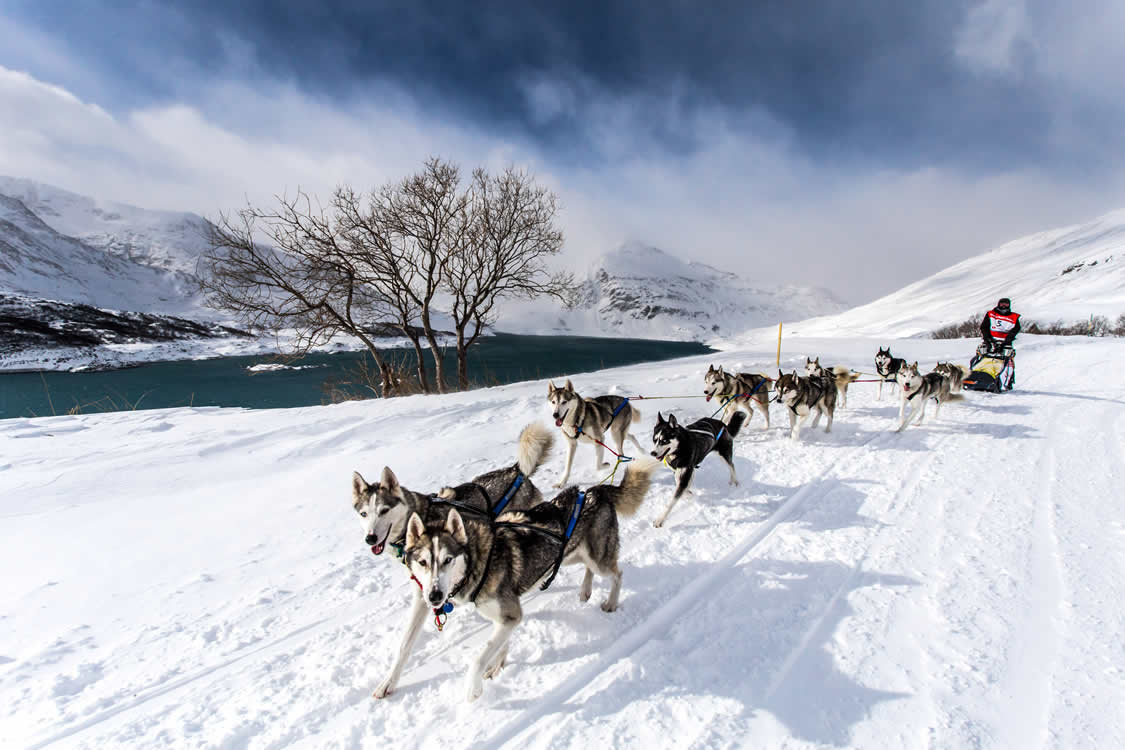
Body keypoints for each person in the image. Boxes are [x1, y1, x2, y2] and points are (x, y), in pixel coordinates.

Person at [976, 297, 1020, 389]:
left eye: (1006, 304)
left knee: (1007, 362)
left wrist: (1007, 342)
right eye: (1002, 304)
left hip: (1006, 343)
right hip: (990, 342)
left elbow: (1015, 330)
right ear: (998, 304)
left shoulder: (1014, 317)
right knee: (982, 359)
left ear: (1009, 305)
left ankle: (1006, 382)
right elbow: (984, 327)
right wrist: (988, 341)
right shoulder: (991, 314)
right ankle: (976, 376)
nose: (1004, 306)